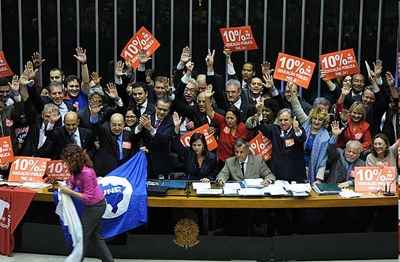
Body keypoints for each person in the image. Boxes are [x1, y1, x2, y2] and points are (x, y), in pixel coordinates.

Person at [57, 144, 114, 262]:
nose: (64, 163)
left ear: (73, 160)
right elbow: (72, 182)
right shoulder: (75, 169)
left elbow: (88, 197)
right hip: (92, 206)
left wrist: (68, 191)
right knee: (95, 237)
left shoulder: (87, 173)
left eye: (66, 161)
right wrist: (67, 186)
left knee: (81, 237)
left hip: (96, 206)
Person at [259, 108, 307, 182]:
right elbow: (262, 127)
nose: (283, 122)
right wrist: (259, 113)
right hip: (278, 174)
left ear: (292, 120)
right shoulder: (274, 130)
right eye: (280, 120)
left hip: (295, 176)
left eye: (286, 120)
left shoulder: (298, 130)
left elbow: (301, 138)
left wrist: (296, 128)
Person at [172, 112, 218, 181]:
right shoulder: (187, 153)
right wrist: (176, 128)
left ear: (204, 145)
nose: (196, 148)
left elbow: (214, 173)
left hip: (205, 186)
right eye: (194, 145)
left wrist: (208, 178)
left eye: (199, 145)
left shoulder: (212, 157)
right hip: (190, 184)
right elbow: (177, 145)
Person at [327, 121, 365, 187]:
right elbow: (331, 150)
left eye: (354, 153)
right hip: (333, 187)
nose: (351, 154)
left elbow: (362, 180)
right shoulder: (338, 154)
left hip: (351, 191)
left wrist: (350, 183)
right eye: (349, 151)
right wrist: (335, 135)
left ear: (359, 154)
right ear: (345, 150)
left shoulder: (361, 164)